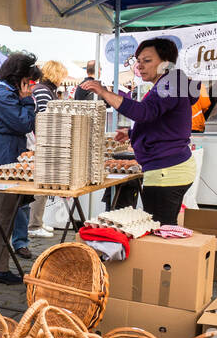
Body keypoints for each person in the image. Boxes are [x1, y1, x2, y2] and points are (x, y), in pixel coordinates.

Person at [81, 38, 196, 226]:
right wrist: (133, 133)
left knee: (160, 229)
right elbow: (162, 123)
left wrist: (104, 93)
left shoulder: (169, 85)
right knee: (164, 226)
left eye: (147, 60)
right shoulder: (169, 84)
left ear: (165, 63)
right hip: (171, 167)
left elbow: (144, 112)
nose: (139, 66)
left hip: (166, 170)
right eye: (138, 60)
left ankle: (165, 257)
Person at [0, 53, 40, 284]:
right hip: (2, 159)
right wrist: (26, 100)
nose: (30, 86)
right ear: (19, 78)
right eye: (29, 81)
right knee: (4, 216)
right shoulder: (3, 95)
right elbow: (24, 123)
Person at [12, 60, 64, 252]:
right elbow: (42, 117)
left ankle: (36, 222)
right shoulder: (43, 91)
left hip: (40, 141)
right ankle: (34, 224)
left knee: (40, 185)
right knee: (39, 185)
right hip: (40, 142)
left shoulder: (44, 90)